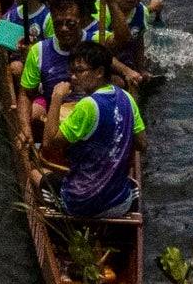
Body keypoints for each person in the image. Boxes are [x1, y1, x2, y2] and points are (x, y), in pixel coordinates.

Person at [46, 41, 140, 221]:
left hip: (81, 205)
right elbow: (141, 144)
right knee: (129, 183)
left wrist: (56, 97)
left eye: (80, 71)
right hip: (120, 205)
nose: (73, 77)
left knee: (35, 174)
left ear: (99, 72)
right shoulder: (127, 98)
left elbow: (49, 142)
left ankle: (61, 208)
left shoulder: (87, 105)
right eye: (72, 71)